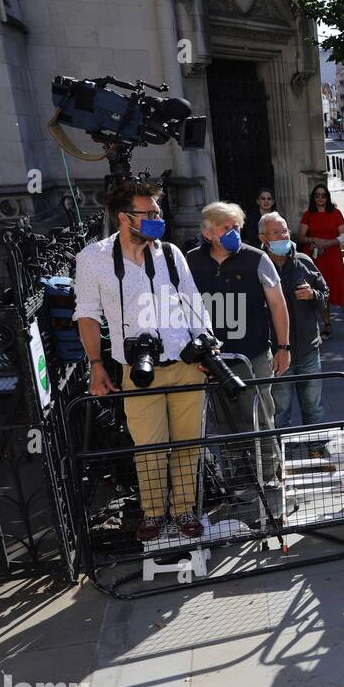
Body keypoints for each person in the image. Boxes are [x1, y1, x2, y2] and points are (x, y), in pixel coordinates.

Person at [72, 178, 213, 542]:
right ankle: (153, 514)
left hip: (185, 364)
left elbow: (194, 304)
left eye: (157, 211)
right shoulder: (93, 259)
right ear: (124, 217)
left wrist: (207, 349)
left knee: (188, 444)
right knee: (148, 448)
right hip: (137, 370)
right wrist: (96, 365)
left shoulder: (170, 253)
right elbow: (86, 314)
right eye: (148, 212)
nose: (156, 217)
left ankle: (183, 510)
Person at [186, 201, 292, 493]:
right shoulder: (191, 262)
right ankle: (237, 476)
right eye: (226, 228)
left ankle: (269, 473)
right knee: (224, 421)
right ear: (208, 234)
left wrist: (283, 346)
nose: (233, 232)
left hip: (253, 354)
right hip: (213, 359)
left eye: (236, 227)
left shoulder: (256, 259)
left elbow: (278, 305)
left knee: (259, 416)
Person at [258, 212, 329, 437]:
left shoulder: (304, 262)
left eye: (285, 231)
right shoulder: (257, 266)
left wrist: (313, 294)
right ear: (264, 238)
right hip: (277, 353)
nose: (283, 236)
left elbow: (326, 294)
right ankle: (282, 461)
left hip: (308, 349)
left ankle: (317, 452)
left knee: (313, 409)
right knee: (280, 411)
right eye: (276, 232)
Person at [298, 185, 344, 341]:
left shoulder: (336, 213)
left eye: (323, 195)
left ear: (328, 197)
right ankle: (327, 326)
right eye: (317, 195)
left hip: (333, 258)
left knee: (341, 291)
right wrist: (314, 239)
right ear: (313, 198)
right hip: (315, 259)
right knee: (322, 292)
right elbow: (300, 237)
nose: (320, 198)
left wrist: (328, 243)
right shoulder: (308, 215)